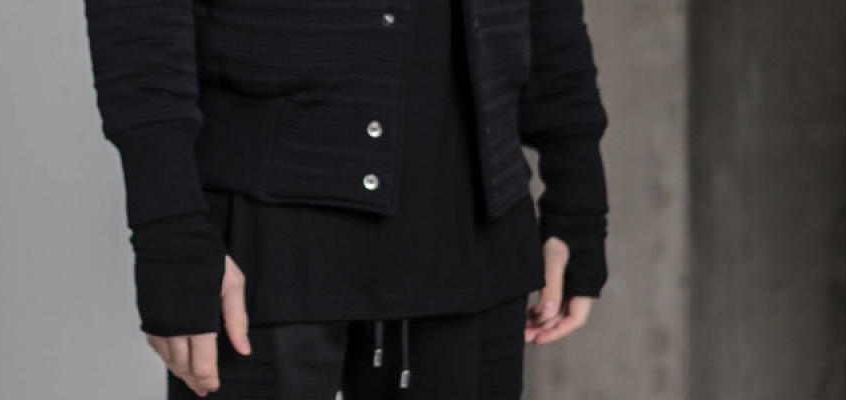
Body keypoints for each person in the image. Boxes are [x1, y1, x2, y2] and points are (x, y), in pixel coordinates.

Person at [81, 0, 609, 398]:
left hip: (472, 229)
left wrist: (577, 200)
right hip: (267, 240)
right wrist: (170, 231)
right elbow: (139, 23)